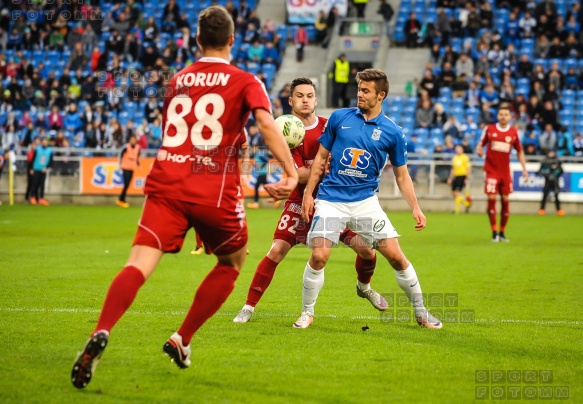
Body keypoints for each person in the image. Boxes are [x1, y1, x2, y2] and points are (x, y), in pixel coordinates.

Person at [70, 6, 299, 389]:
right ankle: (181, 338)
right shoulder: (246, 80)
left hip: (167, 182)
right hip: (212, 188)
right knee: (231, 262)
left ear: (197, 40)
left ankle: (103, 329)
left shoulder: (178, 79)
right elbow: (263, 123)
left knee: (138, 263)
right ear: (231, 39)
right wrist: (290, 171)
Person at [294, 68, 442, 330]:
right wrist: (308, 194)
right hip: (331, 199)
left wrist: (416, 207)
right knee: (319, 256)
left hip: (366, 203)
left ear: (381, 95)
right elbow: (319, 160)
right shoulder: (340, 118)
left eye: (365, 91)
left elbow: (402, 176)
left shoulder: (392, 132)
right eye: (358, 89)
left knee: (396, 256)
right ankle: (307, 312)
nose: (359, 94)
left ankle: (421, 312)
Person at [233, 77, 386, 324]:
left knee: (367, 251)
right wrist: (322, 166)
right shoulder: (283, 130)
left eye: (309, 96)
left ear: (316, 100)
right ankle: (248, 307)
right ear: (291, 100)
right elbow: (297, 174)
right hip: (298, 203)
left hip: (333, 202)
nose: (305, 100)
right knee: (276, 251)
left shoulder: (331, 126)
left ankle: (364, 286)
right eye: (300, 96)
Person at [476, 106, 528, 242]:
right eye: (501, 114)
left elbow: (520, 151)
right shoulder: (489, 129)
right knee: (491, 199)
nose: (503, 116)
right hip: (491, 171)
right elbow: (480, 145)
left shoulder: (513, 133)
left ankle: (502, 232)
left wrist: (524, 169)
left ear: (510, 117)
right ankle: (494, 232)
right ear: (498, 116)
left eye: (506, 114)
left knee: (505, 201)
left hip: (505, 172)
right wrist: (479, 151)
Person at [537, 150, 565, 216]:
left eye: (553, 152)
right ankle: (542, 209)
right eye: (550, 153)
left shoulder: (557, 160)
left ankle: (559, 210)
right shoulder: (545, 161)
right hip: (547, 181)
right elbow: (539, 171)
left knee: (556, 196)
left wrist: (555, 174)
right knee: (545, 195)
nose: (552, 154)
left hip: (555, 181)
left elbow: (561, 170)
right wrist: (547, 174)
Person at [116, 134, 140, 208]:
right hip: (125, 167)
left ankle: (122, 199)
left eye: (134, 139)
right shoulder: (126, 147)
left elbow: (137, 156)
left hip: (132, 167)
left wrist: (138, 163)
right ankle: (121, 199)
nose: (133, 141)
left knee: (128, 184)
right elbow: (120, 155)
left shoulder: (138, 147)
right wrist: (119, 163)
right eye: (132, 139)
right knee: (126, 183)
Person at [447, 144, 472, 214]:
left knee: (457, 192)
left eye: (459, 148)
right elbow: (453, 169)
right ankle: (466, 203)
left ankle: (456, 210)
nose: (457, 149)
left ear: (462, 149)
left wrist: (467, 178)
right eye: (456, 148)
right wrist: (450, 178)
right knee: (453, 193)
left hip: (462, 176)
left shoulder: (465, 157)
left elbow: (468, 168)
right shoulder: (455, 157)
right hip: (456, 176)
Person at [29, 137, 53, 206]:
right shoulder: (37, 149)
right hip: (36, 168)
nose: (44, 142)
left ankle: (41, 198)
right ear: (41, 142)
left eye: (45, 141)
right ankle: (32, 197)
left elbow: (51, 161)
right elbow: (33, 158)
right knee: (35, 183)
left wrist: (46, 167)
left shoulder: (50, 150)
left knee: (42, 185)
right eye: (43, 141)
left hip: (43, 170)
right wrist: (31, 168)